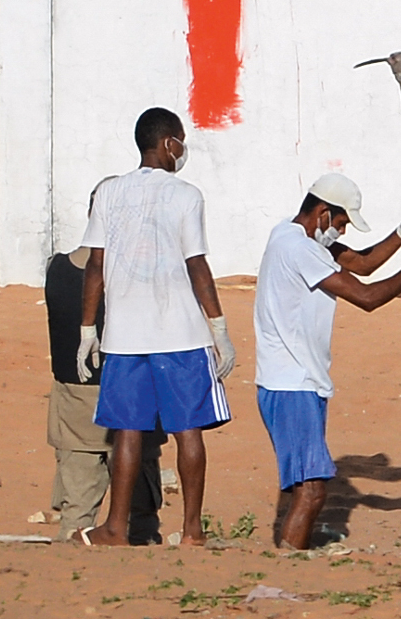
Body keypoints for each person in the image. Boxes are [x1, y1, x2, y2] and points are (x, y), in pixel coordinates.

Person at [254, 173, 401, 549]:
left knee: (308, 488)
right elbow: (368, 297)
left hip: (296, 381)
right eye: (340, 223)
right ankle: (289, 563)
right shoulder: (301, 250)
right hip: (292, 384)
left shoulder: (289, 234)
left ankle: (293, 553)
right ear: (323, 212)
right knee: (311, 491)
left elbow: (363, 263)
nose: (341, 232)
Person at [77, 107, 236, 547]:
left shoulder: (109, 193)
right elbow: (197, 265)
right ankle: (192, 530)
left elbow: (95, 265)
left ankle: (115, 527)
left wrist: (88, 328)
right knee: (188, 430)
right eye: (181, 140)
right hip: (180, 333)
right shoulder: (187, 195)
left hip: (124, 335)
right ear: (170, 144)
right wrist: (219, 327)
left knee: (127, 432)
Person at [45, 177, 166, 544]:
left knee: (76, 512)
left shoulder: (57, 269)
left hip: (73, 401)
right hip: (130, 396)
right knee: (140, 515)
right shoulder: (137, 274)